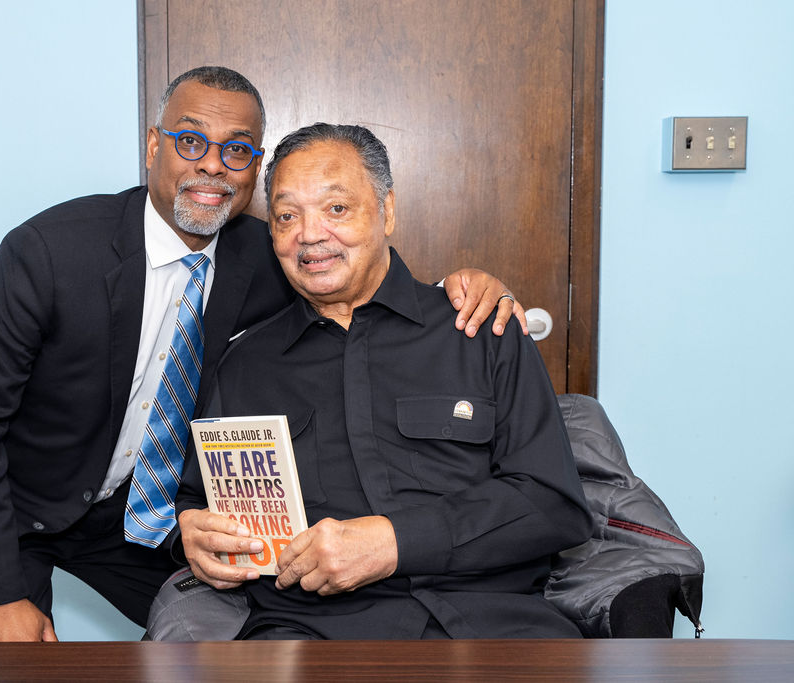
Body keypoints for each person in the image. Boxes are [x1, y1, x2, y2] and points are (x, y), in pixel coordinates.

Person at [0, 66, 523, 643]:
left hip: (143, 512)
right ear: (153, 147)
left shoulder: (269, 253)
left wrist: (461, 287)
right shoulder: (47, 254)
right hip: (9, 502)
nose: (212, 165)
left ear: (254, 168)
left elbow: (355, 275)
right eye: (189, 141)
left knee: (214, 629)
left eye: (236, 150)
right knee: (16, 660)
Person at [175, 123, 593, 639]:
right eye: (286, 216)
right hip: (313, 632)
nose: (308, 234)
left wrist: (396, 542)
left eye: (336, 209)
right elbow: (199, 500)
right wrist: (190, 532)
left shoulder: (481, 329)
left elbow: (555, 508)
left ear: (387, 211)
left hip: (492, 625)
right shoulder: (245, 364)